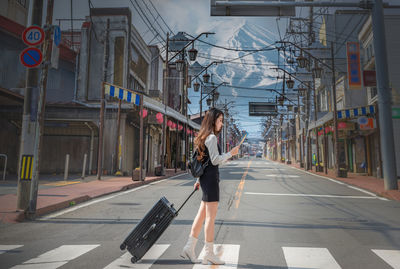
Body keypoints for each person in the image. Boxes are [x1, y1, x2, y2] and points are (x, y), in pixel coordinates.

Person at [181, 108, 239, 265]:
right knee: (210, 219)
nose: (221, 123)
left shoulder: (205, 136)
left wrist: (199, 181)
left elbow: (203, 161)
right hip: (211, 182)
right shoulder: (212, 138)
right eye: (220, 120)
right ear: (213, 121)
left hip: (206, 180)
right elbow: (214, 160)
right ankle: (208, 253)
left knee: (201, 217)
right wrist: (231, 153)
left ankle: (189, 247)